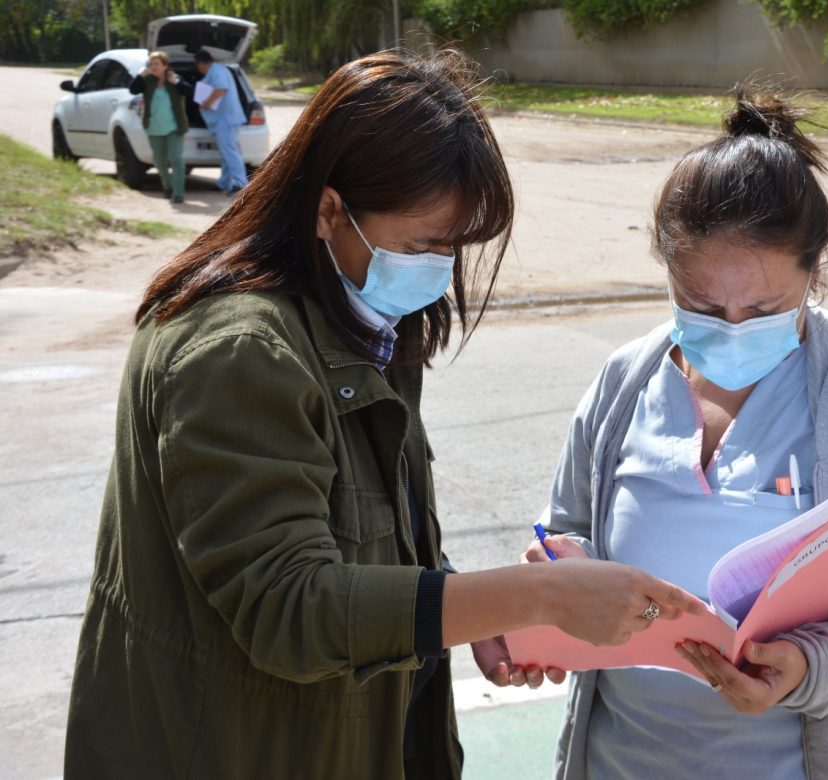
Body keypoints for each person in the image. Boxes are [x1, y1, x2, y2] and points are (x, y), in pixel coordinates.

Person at [63, 50, 704, 780]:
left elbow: (356, 532)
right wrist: (541, 595)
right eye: (421, 245)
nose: (437, 269)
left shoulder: (355, 320)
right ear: (329, 209)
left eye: (453, 247)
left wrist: (477, 611)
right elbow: (291, 608)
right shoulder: (237, 351)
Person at [520, 87, 828, 779]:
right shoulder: (623, 385)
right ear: (667, 268)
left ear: (813, 273)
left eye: (762, 308)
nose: (731, 328)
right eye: (702, 304)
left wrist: (808, 668)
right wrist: (560, 575)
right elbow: (567, 529)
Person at [129, 51, 193, 204]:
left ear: (165, 65)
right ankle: (168, 186)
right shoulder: (147, 80)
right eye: (151, 64)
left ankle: (178, 192)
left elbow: (190, 92)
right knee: (159, 161)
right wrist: (140, 75)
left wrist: (177, 82)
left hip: (174, 127)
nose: (153, 67)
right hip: (153, 127)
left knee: (176, 159)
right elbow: (133, 89)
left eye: (157, 64)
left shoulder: (173, 79)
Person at [194, 49, 248, 193]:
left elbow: (221, 89)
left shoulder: (216, 71)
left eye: (198, 66)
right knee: (226, 153)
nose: (199, 70)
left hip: (227, 119)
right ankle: (224, 183)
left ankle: (240, 183)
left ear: (201, 63)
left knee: (230, 151)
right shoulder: (220, 70)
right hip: (225, 119)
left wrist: (206, 103)